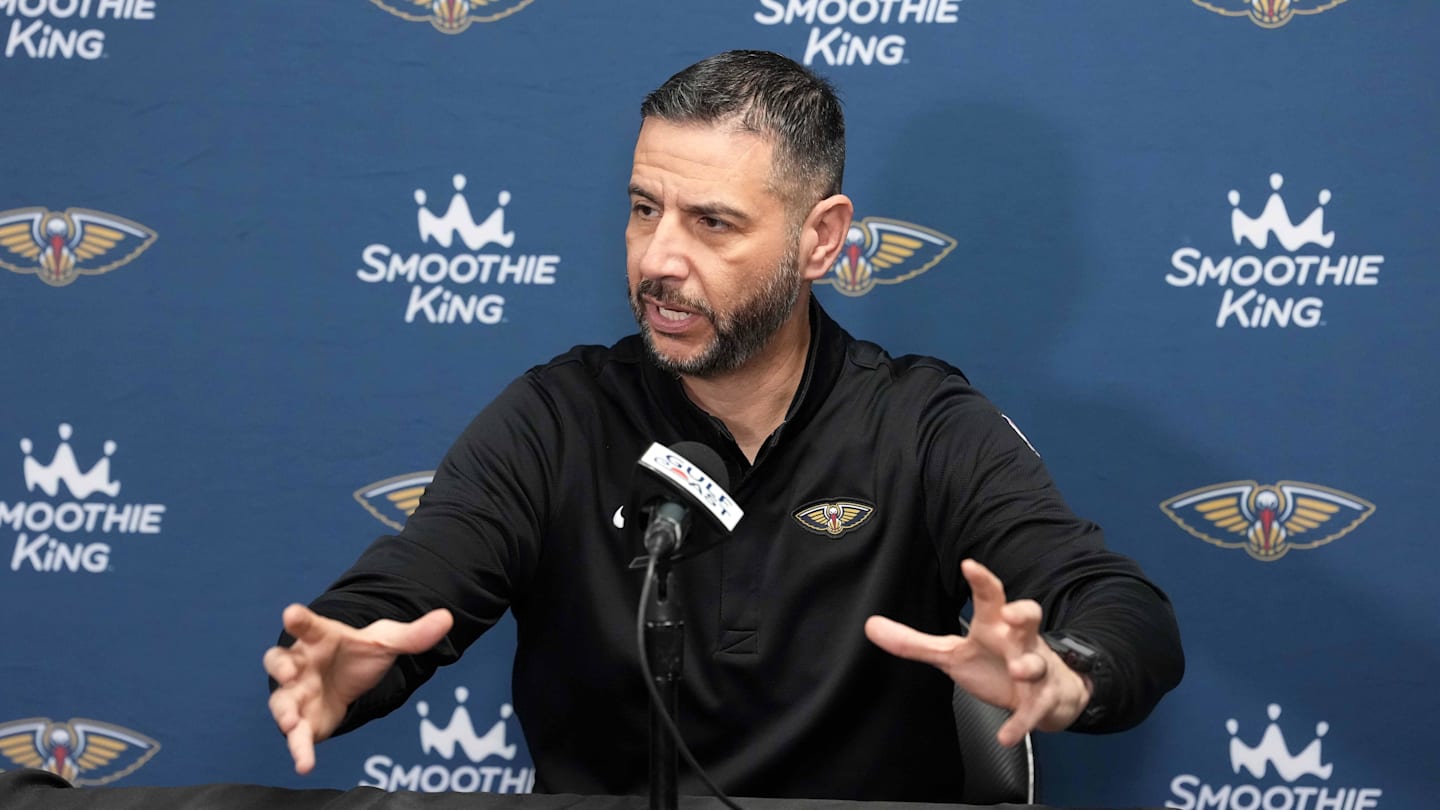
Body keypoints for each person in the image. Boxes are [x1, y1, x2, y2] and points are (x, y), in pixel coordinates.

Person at [264, 49, 1183, 802]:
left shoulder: (922, 423)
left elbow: (1122, 611)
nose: (659, 258)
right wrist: (345, 654)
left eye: (712, 223)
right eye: (642, 209)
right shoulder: (557, 417)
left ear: (820, 240)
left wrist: (1068, 670)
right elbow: (412, 584)